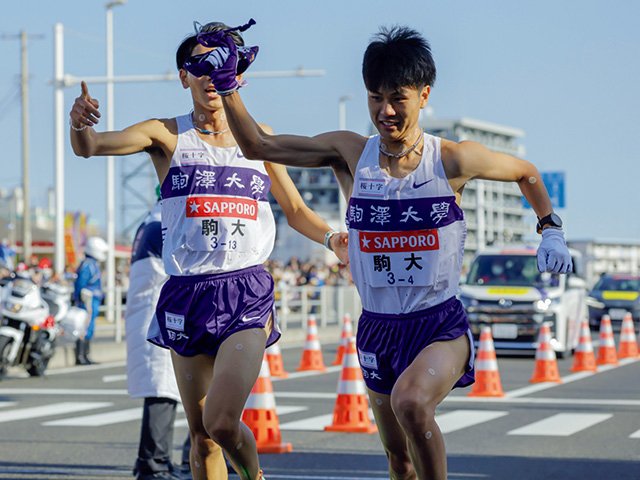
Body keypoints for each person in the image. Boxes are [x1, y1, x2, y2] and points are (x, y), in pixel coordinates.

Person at [190, 24, 574, 480]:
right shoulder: (351, 153)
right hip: (377, 328)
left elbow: (526, 173)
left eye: (398, 98)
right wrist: (231, 88)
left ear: (424, 94)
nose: (386, 111)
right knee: (398, 458)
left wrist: (549, 228)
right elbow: (258, 146)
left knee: (411, 403)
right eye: (375, 98)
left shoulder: (451, 159)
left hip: (438, 325)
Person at [69, 20, 348, 480]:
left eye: (224, 65)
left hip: (245, 292)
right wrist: (79, 126)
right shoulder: (166, 135)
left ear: (239, 75)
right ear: (184, 76)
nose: (212, 76)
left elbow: (295, 208)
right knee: (201, 435)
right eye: (201, 66)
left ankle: (254, 476)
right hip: (185, 293)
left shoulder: (260, 139)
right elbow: (93, 147)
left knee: (221, 422)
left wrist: (331, 238)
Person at [126, 197, 191, 480]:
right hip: (158, 314)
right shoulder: (163, 224)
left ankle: (159, 461)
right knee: (162, 391)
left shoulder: (149, 223)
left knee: (165, 389)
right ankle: (153, 464)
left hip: (152, 312)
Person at [73, 236, 108, 366]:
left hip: (93, 300)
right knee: (84, 327)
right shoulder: (88, 265)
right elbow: (81, 284)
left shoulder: (92, 264)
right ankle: (81, 356)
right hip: (87, 301)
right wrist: (79, 297)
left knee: (89, 327)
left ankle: (85, 354)